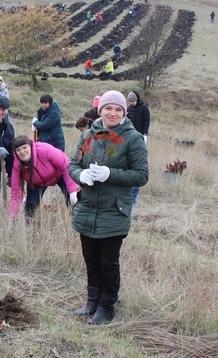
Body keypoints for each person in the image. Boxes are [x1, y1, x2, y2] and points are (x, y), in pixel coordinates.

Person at [68, 90, 148, 325]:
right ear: (100, 110)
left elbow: (142, 175)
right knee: (90, 258)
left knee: (108, 261)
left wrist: (110, 174)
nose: (112, 113)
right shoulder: (88, 136)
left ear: (124, 112)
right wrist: (81, 175)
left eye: (118, 109)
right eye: (108, 108)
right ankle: (92, 301)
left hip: (114, 210)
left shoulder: (133, 139)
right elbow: (73, 164)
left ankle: (107, 306)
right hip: (87, 208)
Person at [8, 135, 79, 219]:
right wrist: (11, 217)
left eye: (24, 147)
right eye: (18, 150)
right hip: (36, 182)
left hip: (58, 174)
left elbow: (65, 166)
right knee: (30, 207)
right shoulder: (17, 166)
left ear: (30, 146)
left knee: (72, 199)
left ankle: (76, 223)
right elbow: (16, 193)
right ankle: (29, 228)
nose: (22, 152)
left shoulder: (45, 150)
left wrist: (73, 191)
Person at [126, 90, 150, 206]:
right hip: (130, 137)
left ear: (137, 99)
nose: (132, 104)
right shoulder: (129, 109)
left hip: (140, 135)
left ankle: (134, 199)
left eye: (133, 101)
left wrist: (145, 133)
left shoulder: (144, 107)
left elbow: (147, 121)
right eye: (130, 102)